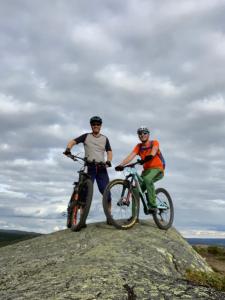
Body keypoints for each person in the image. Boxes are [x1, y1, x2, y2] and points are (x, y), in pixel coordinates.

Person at [64, 116, 112, 224]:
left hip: (101, 168)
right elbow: (73, 141)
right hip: (89, 167)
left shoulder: (105, 138)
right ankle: (82, 219)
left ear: (100, 126)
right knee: (84, 193)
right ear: (91, 125)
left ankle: (109, 216)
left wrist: (108, 161)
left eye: (98, 124)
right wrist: (68, 149)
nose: (96, 126)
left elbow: (109, 151)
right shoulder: (86, 136)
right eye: (94, 124)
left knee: (106, 192)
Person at [115, 126, 164, 214]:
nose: (142, 135)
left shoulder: (154, 142)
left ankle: (153, 206)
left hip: (158, 169)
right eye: (140, 133)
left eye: (144, 133)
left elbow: (154, 150)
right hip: (146, 171)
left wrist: (150, 156)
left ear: (148, 134)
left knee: (148, 179)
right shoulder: (139, 146)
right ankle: (134, 217)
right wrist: (121, 165)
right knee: (135, 191)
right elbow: (131, 155)